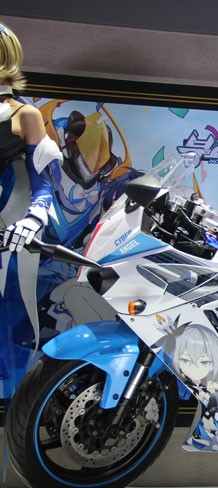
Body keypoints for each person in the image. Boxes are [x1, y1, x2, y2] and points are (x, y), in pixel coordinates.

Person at [0, 21, 62, 393]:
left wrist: (33, 219)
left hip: (7, 228)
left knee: (9, 321)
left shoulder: (24, 115)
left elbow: (44, 180)